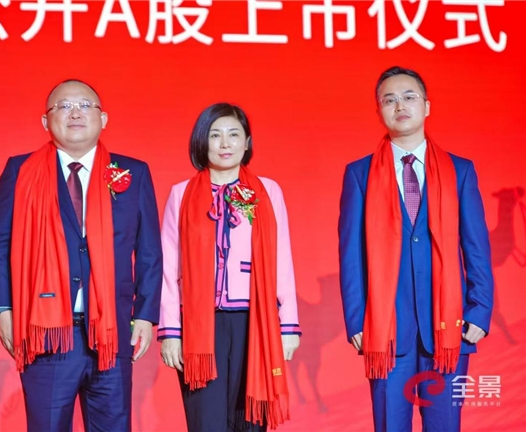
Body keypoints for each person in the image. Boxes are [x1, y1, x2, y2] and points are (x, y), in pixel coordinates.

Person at [0, 79, 162, 432]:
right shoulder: (20, 171)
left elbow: (149, 251)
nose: (75, 113)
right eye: (64, 106)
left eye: (85, 105)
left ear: (103, 118)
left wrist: (144, 314)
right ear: (45, 121)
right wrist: (3, 309)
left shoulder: (133, 172)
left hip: (111, 331)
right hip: (45, 330)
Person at [338, 66, 494, 431]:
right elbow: (351, 255)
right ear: (379, 111)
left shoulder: (460, 170)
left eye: (409, 97)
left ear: (427, 106)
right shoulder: (359, 174)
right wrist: (357, 319)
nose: (400, 105)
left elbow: (476, 247)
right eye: (389, 99)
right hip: (386, 331)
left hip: (450, 328)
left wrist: (480, 310)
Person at [158, 103, 301, 431]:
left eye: (234, 134)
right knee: (206, 422)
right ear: (201, 141)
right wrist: (171, 332)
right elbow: (169, 267)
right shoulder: (181, 194)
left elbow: (282, 260)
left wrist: (288, 326)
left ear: (247, 142)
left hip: (255, 322)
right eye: (215, 135)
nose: (225, 143)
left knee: (248, 420)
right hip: (199, 325)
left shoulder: (267, 191)